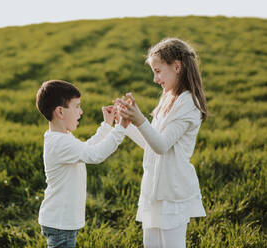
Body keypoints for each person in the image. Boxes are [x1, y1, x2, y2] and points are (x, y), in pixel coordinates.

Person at [115, 38, 208, 248]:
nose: (155, 79)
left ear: (177, 67)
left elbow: (162, 145)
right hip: (154, 189)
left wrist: (140, 120)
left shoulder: (188, 104)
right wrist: (126, 123)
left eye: (158, 71)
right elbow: (151, 143)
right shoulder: (167, 97)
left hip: (172, 191)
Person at [36, 79, 129, 248]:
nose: (81, 111)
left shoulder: (62, 138)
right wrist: (120, 128)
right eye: (77, 106)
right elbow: (96, 155)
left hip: (60, 220)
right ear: (60, 112)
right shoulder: (60, 143)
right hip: (60, 222)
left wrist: (107, 125)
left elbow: (86, 148)